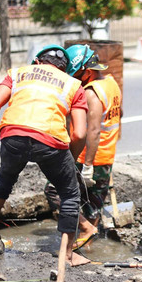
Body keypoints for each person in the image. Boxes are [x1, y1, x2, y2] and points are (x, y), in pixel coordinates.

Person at [0, 44, 90, 266]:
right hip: (50, 141)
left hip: (13, 135)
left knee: (4, 180)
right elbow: (80, 133)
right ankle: (66, 255)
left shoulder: (18, 73)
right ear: (63, 69)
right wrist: (71, 163)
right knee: (69, 193)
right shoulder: (73, 85)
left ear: (37, 62)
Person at [46, 44, 122, 251]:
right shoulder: (112, 83)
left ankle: (84, 231)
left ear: (87, 71)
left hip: (89, 157)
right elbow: (118, 115)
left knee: (54, 191)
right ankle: (88, 244)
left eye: (77, 75)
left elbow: (94, 131)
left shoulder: (92, 93)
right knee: (93, 204)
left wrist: (87, 165)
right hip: (107, 155)